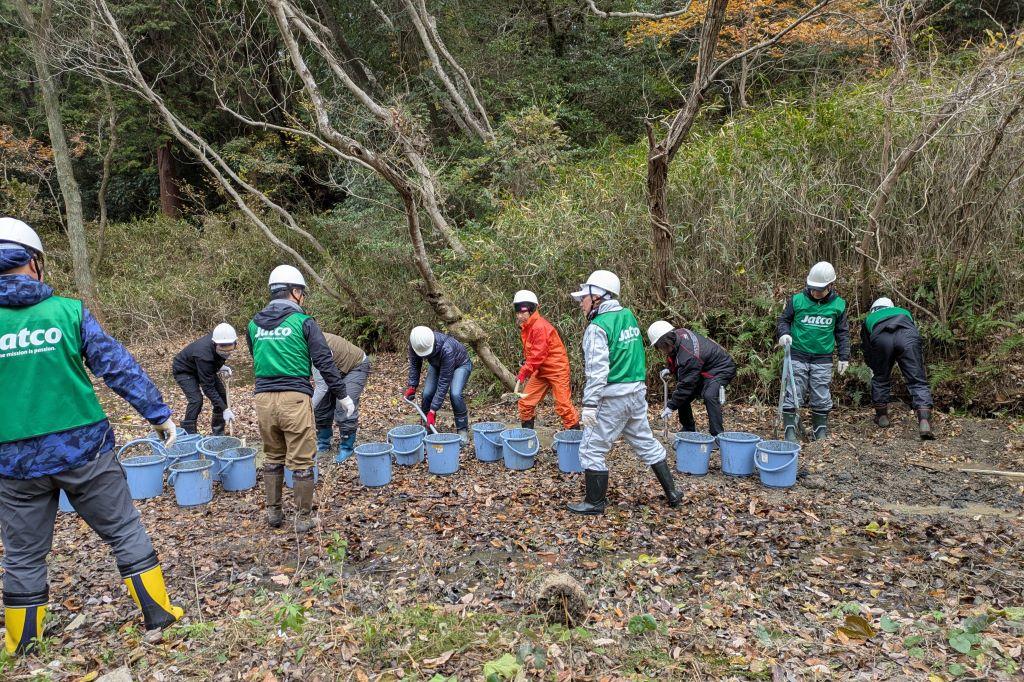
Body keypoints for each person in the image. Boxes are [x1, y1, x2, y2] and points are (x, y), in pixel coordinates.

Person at [0, 218, 181, 655]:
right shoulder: (68, 312)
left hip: (13, 462)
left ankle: (22, 644)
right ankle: (159, 614)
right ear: (35, 263)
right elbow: (117, 367)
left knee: (22, 555)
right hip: (86, 452)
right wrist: (158, 415)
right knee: (123, 529)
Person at [246, 265, 350, 533]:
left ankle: (274, 513)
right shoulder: (304, 322)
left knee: (272, 455)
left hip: (263, 400)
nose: (302, 297)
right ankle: (303, 518)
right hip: (294, 398)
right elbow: (324, 361)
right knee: (302, 460)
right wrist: (342, 394)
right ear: (293, 292)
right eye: (301, 292)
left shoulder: (253, 325)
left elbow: (255, 357)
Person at [568, 270, 681, 515]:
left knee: (591, 448)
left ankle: (594, 503)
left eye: (583, 298)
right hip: (636, 393)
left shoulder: (597, 327)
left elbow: (597, 371)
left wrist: (589, 405)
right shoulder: (628, 315)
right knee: (645, 441)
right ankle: (673, 492)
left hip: (613, 397)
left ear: (597, 297)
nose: (581, 303)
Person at [776, 261, 851, 442]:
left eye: (820, 289)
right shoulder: (797, 300)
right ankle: (790, 431)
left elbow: (842, 332)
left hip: (823, 357)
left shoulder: (838, 305)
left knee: (821, 393)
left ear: (830, 285)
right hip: (797, 354)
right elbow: (784, 320)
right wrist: (784, 334)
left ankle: (820, 431)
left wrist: (844, 356)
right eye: (813, 288)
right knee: (793, 392)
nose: (815, 292)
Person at [860, 297, 935, 440]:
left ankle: (882, 416)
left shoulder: (869, 319)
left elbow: (867, 348)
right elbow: (913, 332)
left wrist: (874, 366)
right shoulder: (904, 312)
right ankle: (924, 420)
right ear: (891, 306)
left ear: (873, 309)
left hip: (881, 339)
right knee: (917, 380)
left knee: (881, 378)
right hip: (908, 338)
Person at [647, 321, 736, 436]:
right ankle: (688, 430)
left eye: (660, 347)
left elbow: (686, 384)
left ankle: (717, 436)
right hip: (704, 367)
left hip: (722, 368)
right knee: (682, 397)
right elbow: (676, 355)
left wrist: (671, 406)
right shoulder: (678, 335)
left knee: (709, 395)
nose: (661, 350)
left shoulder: (689, 355)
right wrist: (670, 369)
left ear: (666, 342)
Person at [513, 290, 579, 430]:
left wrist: (523, 372)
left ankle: (575, 438)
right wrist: (526, 363)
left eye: (522, 312)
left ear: (531, 310)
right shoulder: (527, 327)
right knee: (525, 403)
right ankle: (526, 438)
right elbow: (533, 353)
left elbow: (537, 355)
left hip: (557, 370)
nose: (519, 316)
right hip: (541, 371)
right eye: (517, 312)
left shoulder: (540, 326)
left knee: (564, 406)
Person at [404, 326, 473, 442]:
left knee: (455, 394)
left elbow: (443, 382)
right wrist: (412, 386)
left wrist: (433, 410)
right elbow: (415, 365)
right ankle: (427, 426)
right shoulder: (415, 343)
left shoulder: (447, 349)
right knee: (427, 393)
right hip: (437, 364)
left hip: (461, 364)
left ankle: (462, 429)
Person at [312, 333, 370, 462]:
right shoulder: (297, 346)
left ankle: (346, 447)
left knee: (343, 405)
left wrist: (307, 409)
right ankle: (323, 443)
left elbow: (322, 387)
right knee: (321, 406)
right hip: (334, 369)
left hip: (355, 366)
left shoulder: (315, 348)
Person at [172, 323, 238, 435]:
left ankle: (218, 434)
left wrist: (220, 366)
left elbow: (216, 357)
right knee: (196, 400)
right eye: (223, 351)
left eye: (229, 351)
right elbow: (208, 387)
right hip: (185, 370)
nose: (226, 354)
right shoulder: (203, 355)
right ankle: (189, 434)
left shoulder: (222, 336)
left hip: (202, 366)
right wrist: (225, 409)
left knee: (222, 397)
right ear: (214, 343)